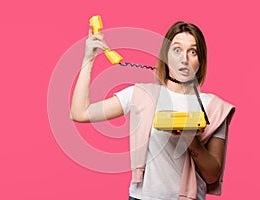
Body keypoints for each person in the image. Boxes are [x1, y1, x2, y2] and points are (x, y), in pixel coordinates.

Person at [70, 21, 235, 200]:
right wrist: (89, 59)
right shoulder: (140, 94)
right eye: (177, 50)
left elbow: (213, 175)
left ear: (200, 60)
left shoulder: (214, 107)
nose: (184, 59)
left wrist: (189, 139)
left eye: (193, 52)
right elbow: (80, 113)